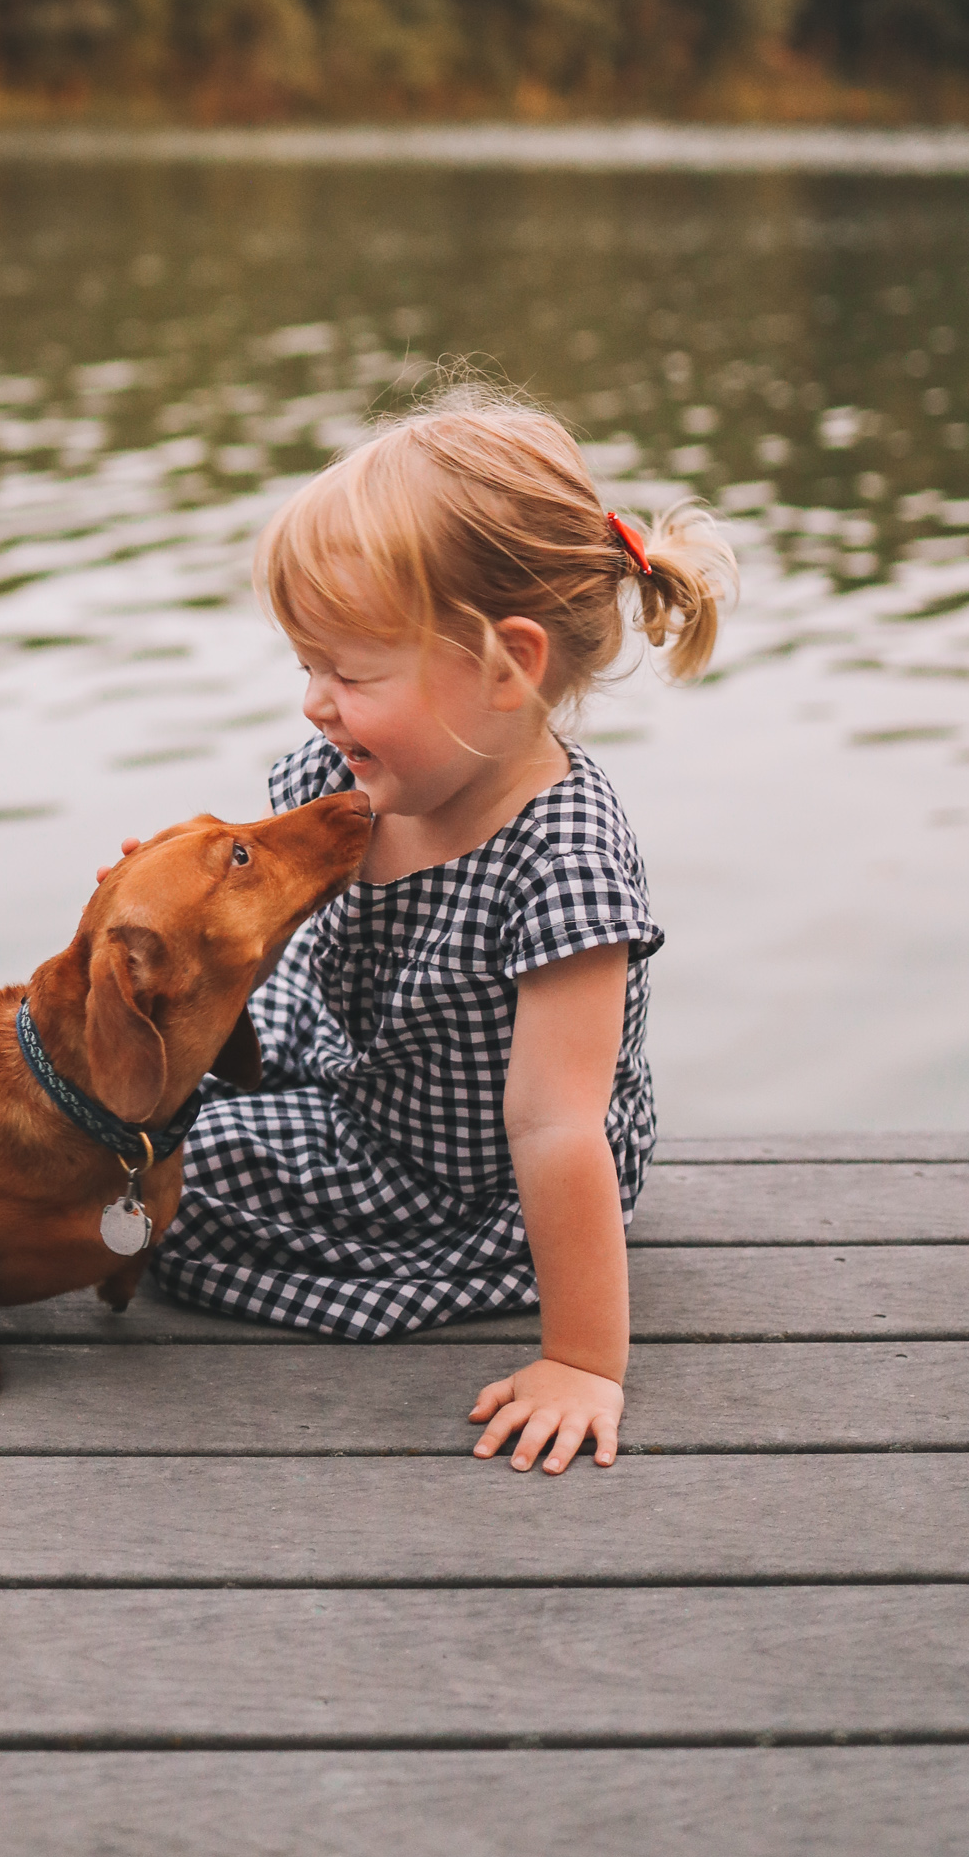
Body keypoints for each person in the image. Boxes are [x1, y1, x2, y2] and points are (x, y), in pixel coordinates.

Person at [114, 388, 735, 1474]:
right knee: (114, 1106)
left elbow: (554, 1130)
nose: (314, 703)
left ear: (507, 669)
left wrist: (584, 1361)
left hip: (464, 1180)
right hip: (342, 1074)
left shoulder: (561, 865)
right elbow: (252, 922)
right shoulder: (352, 775)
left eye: (349, 674)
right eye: (306, 666)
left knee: (177, 1176)